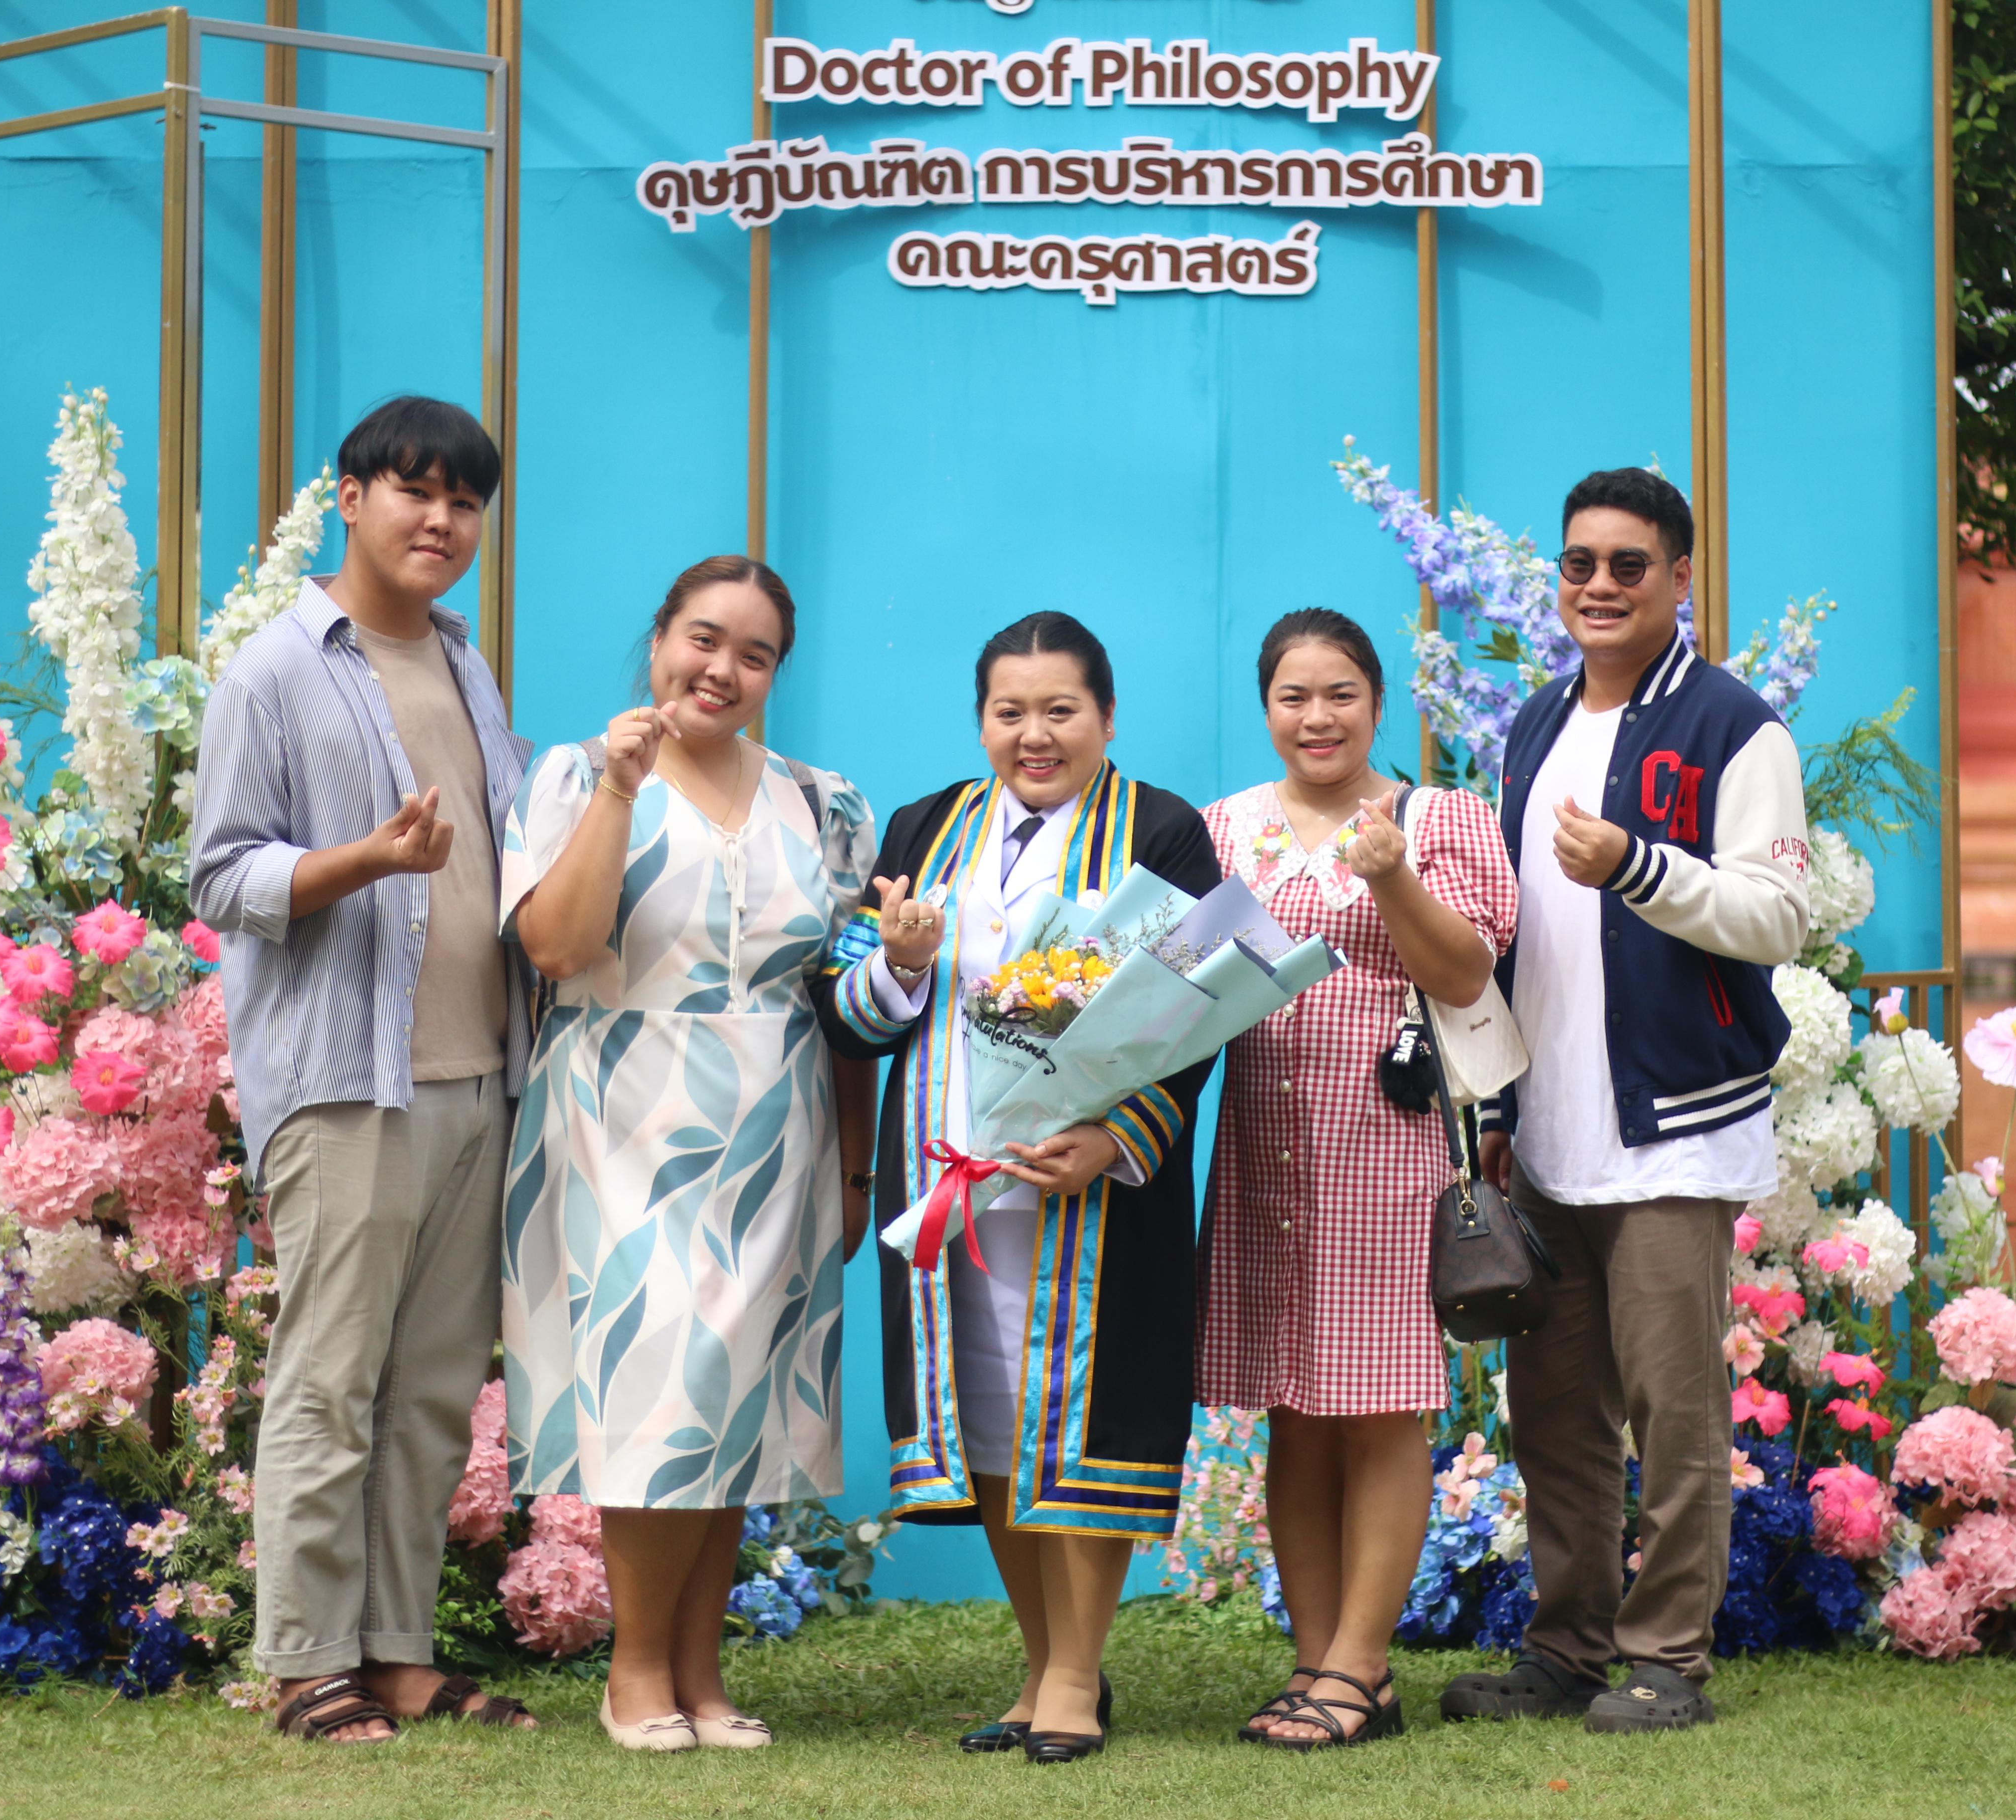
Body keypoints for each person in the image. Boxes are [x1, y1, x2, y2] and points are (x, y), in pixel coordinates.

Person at [190, 395, 539, 1742]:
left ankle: (395, 1651)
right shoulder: (272, 672)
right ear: (348, 497)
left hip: (473, 1079)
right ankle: (303, 1664)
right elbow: (223, 874)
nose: (440, 521)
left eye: (463, 503)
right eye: (413, 493)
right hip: (345, 1079)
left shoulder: (467, 664)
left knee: (438, 1383)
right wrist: (366, 864)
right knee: (333, 1375)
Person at [815, 612, 1221, 1766]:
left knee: (1076, 1421)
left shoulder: (1162, 833)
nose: (1034, 735)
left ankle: (1079, 1681)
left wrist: (1118, 1136)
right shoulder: (926, 829)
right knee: (990, 1421)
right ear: (982, 719)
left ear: (1105, 716)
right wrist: (895, 960)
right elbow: (848, 1016)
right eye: (1011, 712)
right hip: (946, 1177)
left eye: (1061, 711)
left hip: (1087, 1186)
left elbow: (1197, 1019)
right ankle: (1042, 1663)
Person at [1440, 468, 1809, 1734]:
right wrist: (1492, 1106)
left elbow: (1779, 914)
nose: (1600, 586)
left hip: (1675, 1130)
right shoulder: (1536, 724)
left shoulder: (1736, 729)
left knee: (1674, 1413)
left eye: (1629, 566)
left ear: (1681, 579)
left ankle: (1669, 1662)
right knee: (1555, 1422)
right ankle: (1566, 1653)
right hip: (1547, 1135)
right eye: (1581, 564)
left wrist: (1641, 866)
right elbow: (1512, 931)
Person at [504, 556, 877, 1751]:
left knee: (739, 1402)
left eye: (754, 654)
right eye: (703, 640)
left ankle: (705, 1678)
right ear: (660, 636)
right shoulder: (570, 775)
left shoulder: (825, 805)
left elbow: (853, 1004)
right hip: (624, 1113)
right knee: (658, 1394)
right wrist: (621, 789)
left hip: (780, 1120)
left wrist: (858, 1166)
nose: (722, 670)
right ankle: (636, 1673)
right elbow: (557, 948)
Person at [1198, 610, 1517, 1749]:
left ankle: (1361, 1662)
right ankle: (1322, 1668)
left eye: (1340, 694)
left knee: (1381, 1407)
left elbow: (1468, 971)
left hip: (1388, 1148)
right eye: (1293, 695)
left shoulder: (1438, 820)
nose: (1316, 716)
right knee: (1297, 1406)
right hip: (1264, 1144)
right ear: (1267, 706)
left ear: (1378, 704)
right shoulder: (1224, 829)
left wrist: (1390, 882)